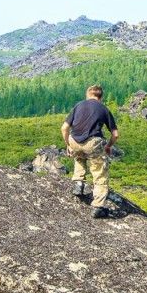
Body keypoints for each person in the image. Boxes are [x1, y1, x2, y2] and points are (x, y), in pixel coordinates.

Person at [61, 84, 119, 218]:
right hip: (93, 143)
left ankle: (78, 183)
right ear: (101, 97)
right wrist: (108, 146)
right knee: (100, 174)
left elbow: (64, 128)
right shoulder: (104, 109)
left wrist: (68, 144)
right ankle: (98, 206)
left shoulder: (79, 105)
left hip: (74, 141)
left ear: (88, 94)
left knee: (80, 156)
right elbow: (115, 134)